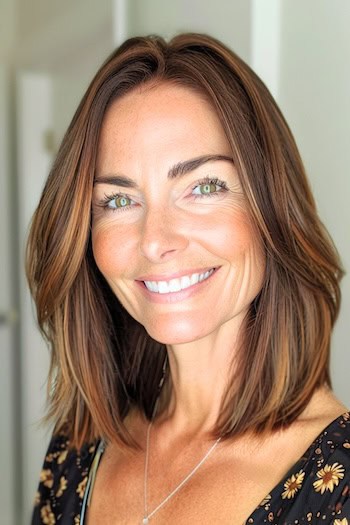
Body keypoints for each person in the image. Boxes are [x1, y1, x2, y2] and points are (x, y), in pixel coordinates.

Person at [28, 33, 349, 525]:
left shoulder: (339, 485)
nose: (156, 240)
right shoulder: (79, 452)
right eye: (118, 200)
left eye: (203, 187)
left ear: (270, 210)